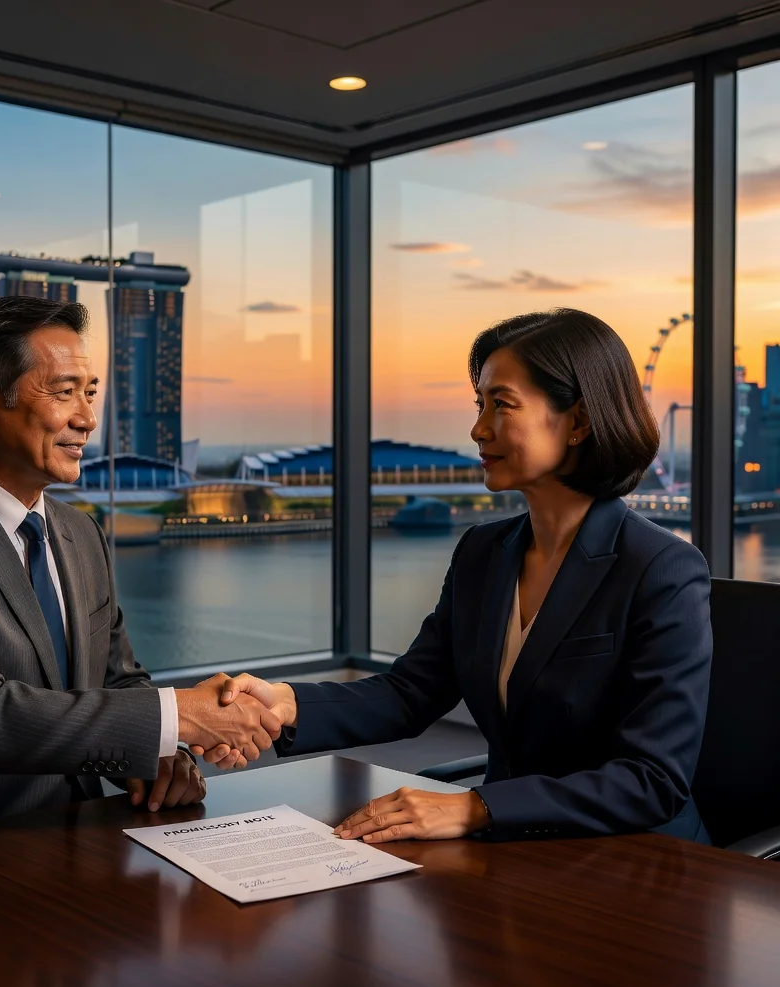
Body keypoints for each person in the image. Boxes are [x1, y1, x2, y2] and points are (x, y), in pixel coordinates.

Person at [196, 309, 713, 844]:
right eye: (479, 404)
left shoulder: (660, 569)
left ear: (578, 422)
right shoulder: (483, 553)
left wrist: (475, 807)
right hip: (516, 852)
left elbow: (652, 781)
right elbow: (409, 694)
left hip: (641, 864)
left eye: (502, 405)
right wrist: (284, 703)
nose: (477, 429)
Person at [0, 296, 279, 839]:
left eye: (91, 392)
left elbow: (116, 680)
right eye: (64, 391)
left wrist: (158, 756)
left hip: (81, 836)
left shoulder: (79, 533)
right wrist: (178, 717)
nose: (88, 419)